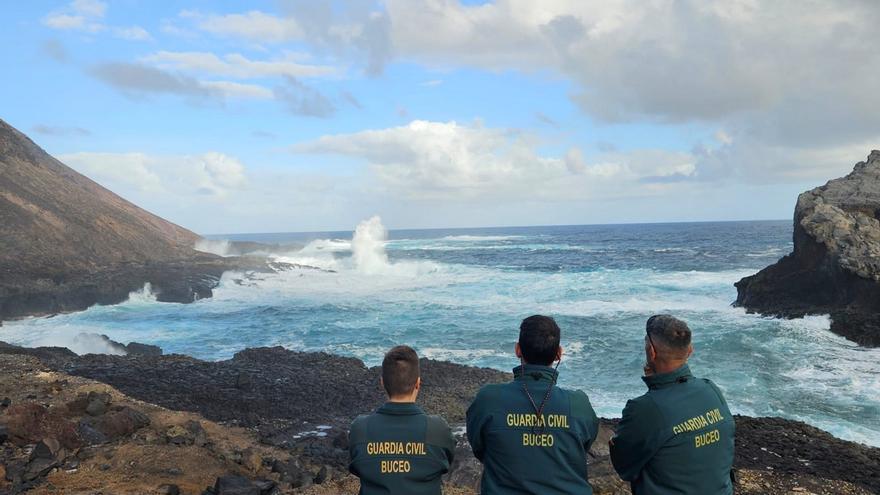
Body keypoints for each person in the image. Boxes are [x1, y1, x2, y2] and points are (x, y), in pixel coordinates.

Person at [466, 315, 600, 494]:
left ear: (518, 350)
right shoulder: (578, 404)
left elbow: (480, 447)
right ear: (559, 353)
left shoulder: (489, 399)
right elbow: (584, 446)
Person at [610, 314, 735, 494]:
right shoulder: (711, 390)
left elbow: (623, 465)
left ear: (651, 352)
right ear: (689, 350)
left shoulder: (644, 408)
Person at [349, 345, 456, 495]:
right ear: (418, 383)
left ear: (382, 382)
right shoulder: (438, 429)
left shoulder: (360, 428)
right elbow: (447, 461)